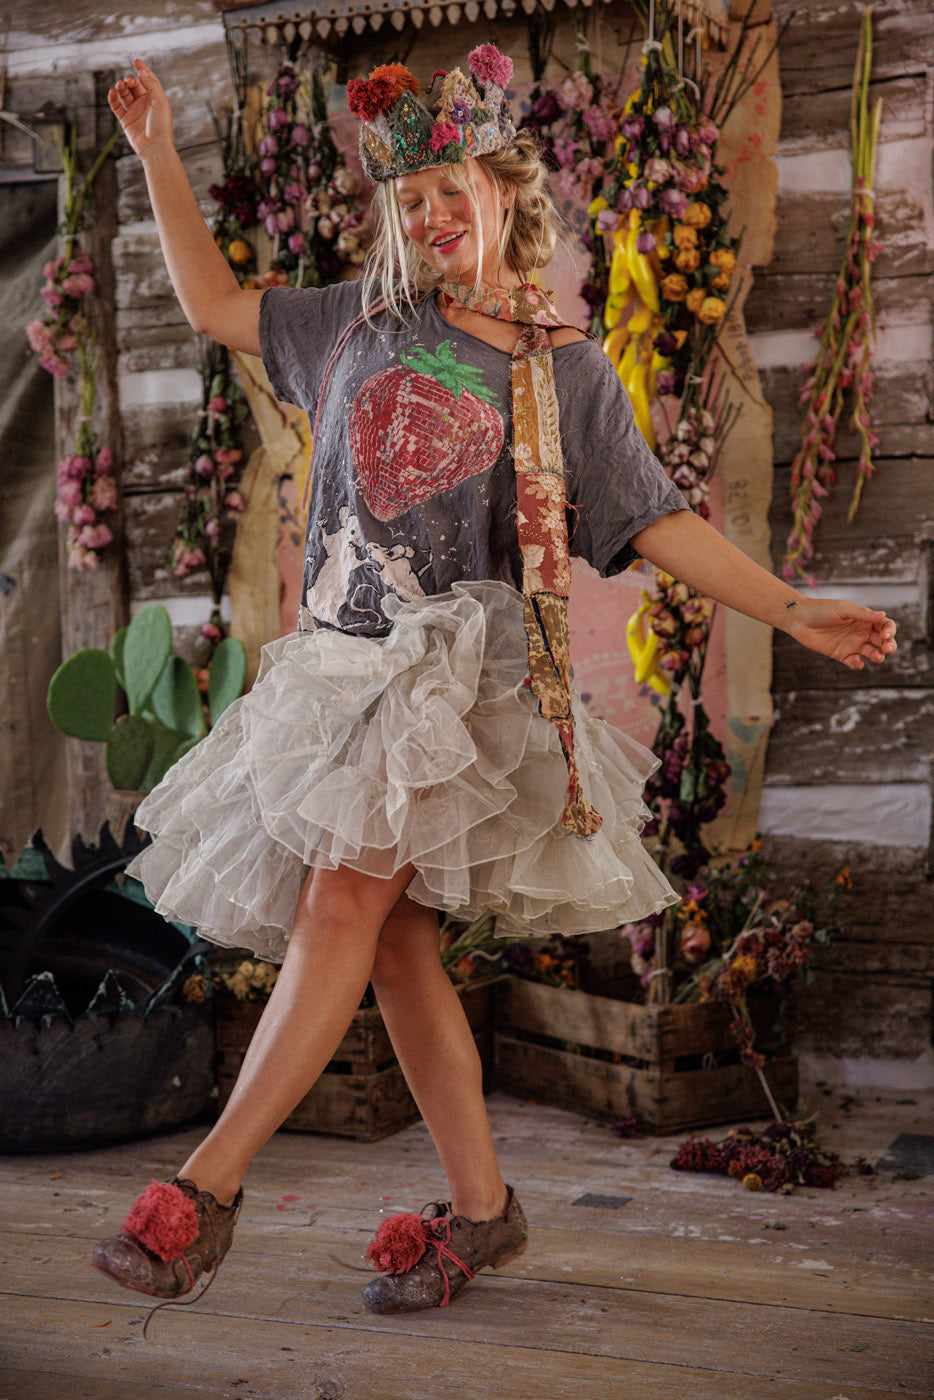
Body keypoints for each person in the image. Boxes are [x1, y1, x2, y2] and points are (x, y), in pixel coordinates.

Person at [93, 49, 897, 1318]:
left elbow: (654, 521)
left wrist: (793, 608)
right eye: (407, 198)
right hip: (339, 679)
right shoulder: (352, 322)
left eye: (448, 189)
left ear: (503, 190)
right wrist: (155, 157)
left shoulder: (560, 370)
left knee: (341, 907)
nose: (428, 214)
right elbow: (212, 304)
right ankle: (483, 1210)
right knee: (398, 946)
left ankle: (207, 1188)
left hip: (441, 696)